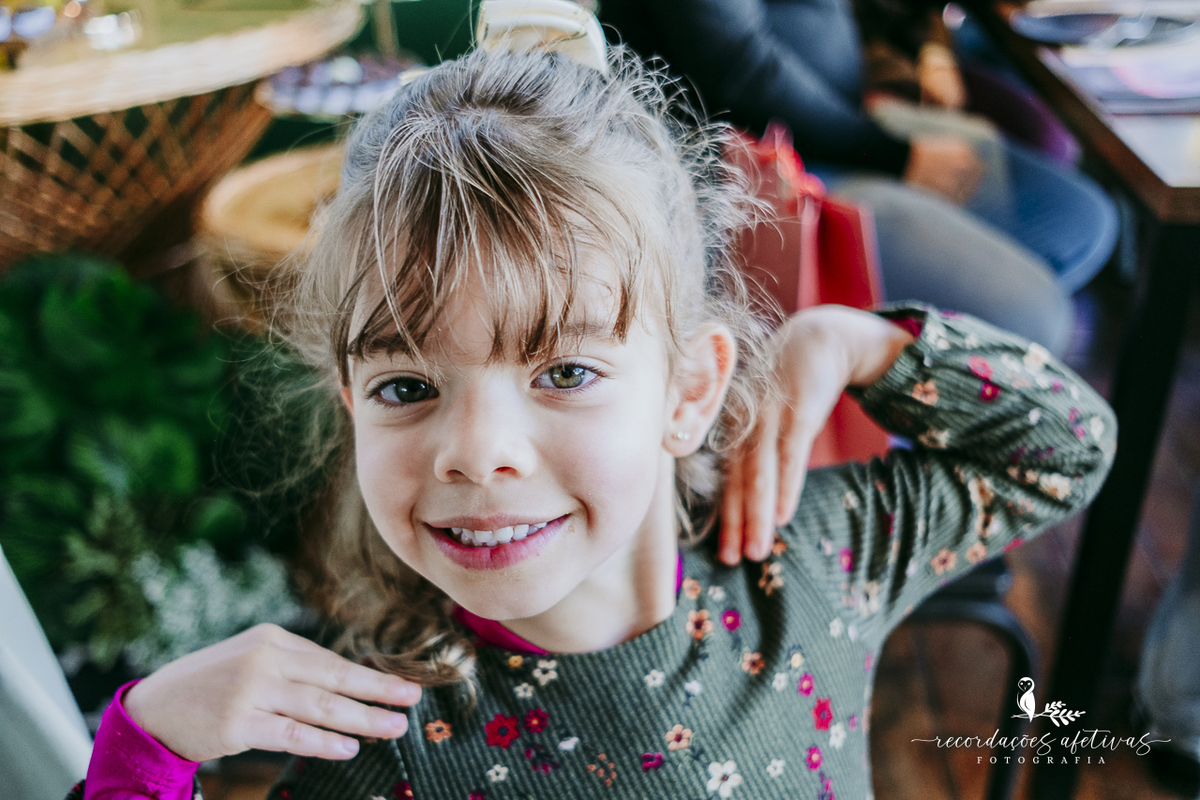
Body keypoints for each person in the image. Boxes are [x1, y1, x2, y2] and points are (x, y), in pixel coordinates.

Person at [66, 24, 1116, 800]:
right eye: (406, 387)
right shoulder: (383, 752)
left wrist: (861, 343)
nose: (476, 452)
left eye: (564, 371)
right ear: (352, 407)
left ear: (690, 390)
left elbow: (1063, 451)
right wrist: (146, 745)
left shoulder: (811, 564)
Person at [597, 0, 1119, 356]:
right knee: (1037, 315)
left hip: (857, 122)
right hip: (760, 166)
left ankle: (904, 361)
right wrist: (896, 154)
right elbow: (739, 67)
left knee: (1083, 221)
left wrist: (928, 48)